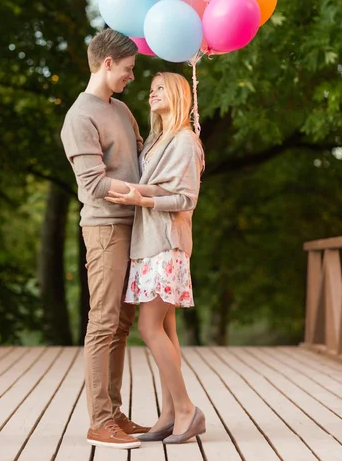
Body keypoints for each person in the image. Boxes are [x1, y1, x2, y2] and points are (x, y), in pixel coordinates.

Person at [60, 29, 168, 450]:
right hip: (105, 228)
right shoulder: (79, 116)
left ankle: (114, 413)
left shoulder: (122, 110)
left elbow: (142, 161)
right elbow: (92, 183)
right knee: (103, 322)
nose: (132, 76)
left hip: (135, 225)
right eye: (128, 69)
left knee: (122, 324)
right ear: (107, 64)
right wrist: (141, 196)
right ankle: (98, 421)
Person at [105, 71, 206, 445]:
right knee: (166, 329)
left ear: (180, 94)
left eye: (160, 88)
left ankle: (186, 410)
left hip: (167, 244)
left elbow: (185, 198)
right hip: (147, 245)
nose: (152, 94)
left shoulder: (184, 141)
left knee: (148, 327)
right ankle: (168, 413)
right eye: (150, 90)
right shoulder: (155, 141)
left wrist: (140, 198)